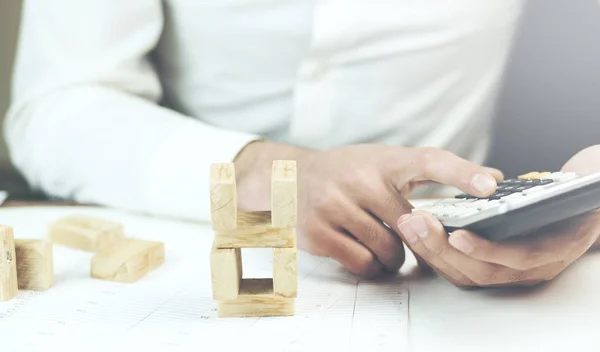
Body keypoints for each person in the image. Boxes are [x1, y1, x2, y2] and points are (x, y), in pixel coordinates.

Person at [4, 1, 599, 287]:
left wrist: (587, 193)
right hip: (188, 240)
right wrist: (262, 172)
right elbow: (56, 104)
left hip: (454, 264)